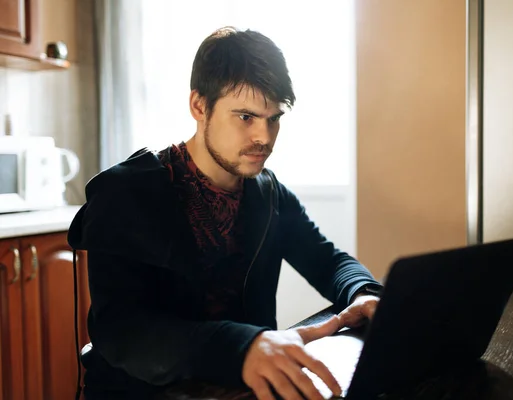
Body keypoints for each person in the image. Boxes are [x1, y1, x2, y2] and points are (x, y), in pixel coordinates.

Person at [68, 26, 383, 400]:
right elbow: (123, 331)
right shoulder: (126, 193)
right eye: (246, 117)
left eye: (274, 118)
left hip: (239, 391)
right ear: (199, 106)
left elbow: (327, 260)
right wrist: (241, 347)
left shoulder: (268, 192)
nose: (264, 137)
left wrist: (363, 293)